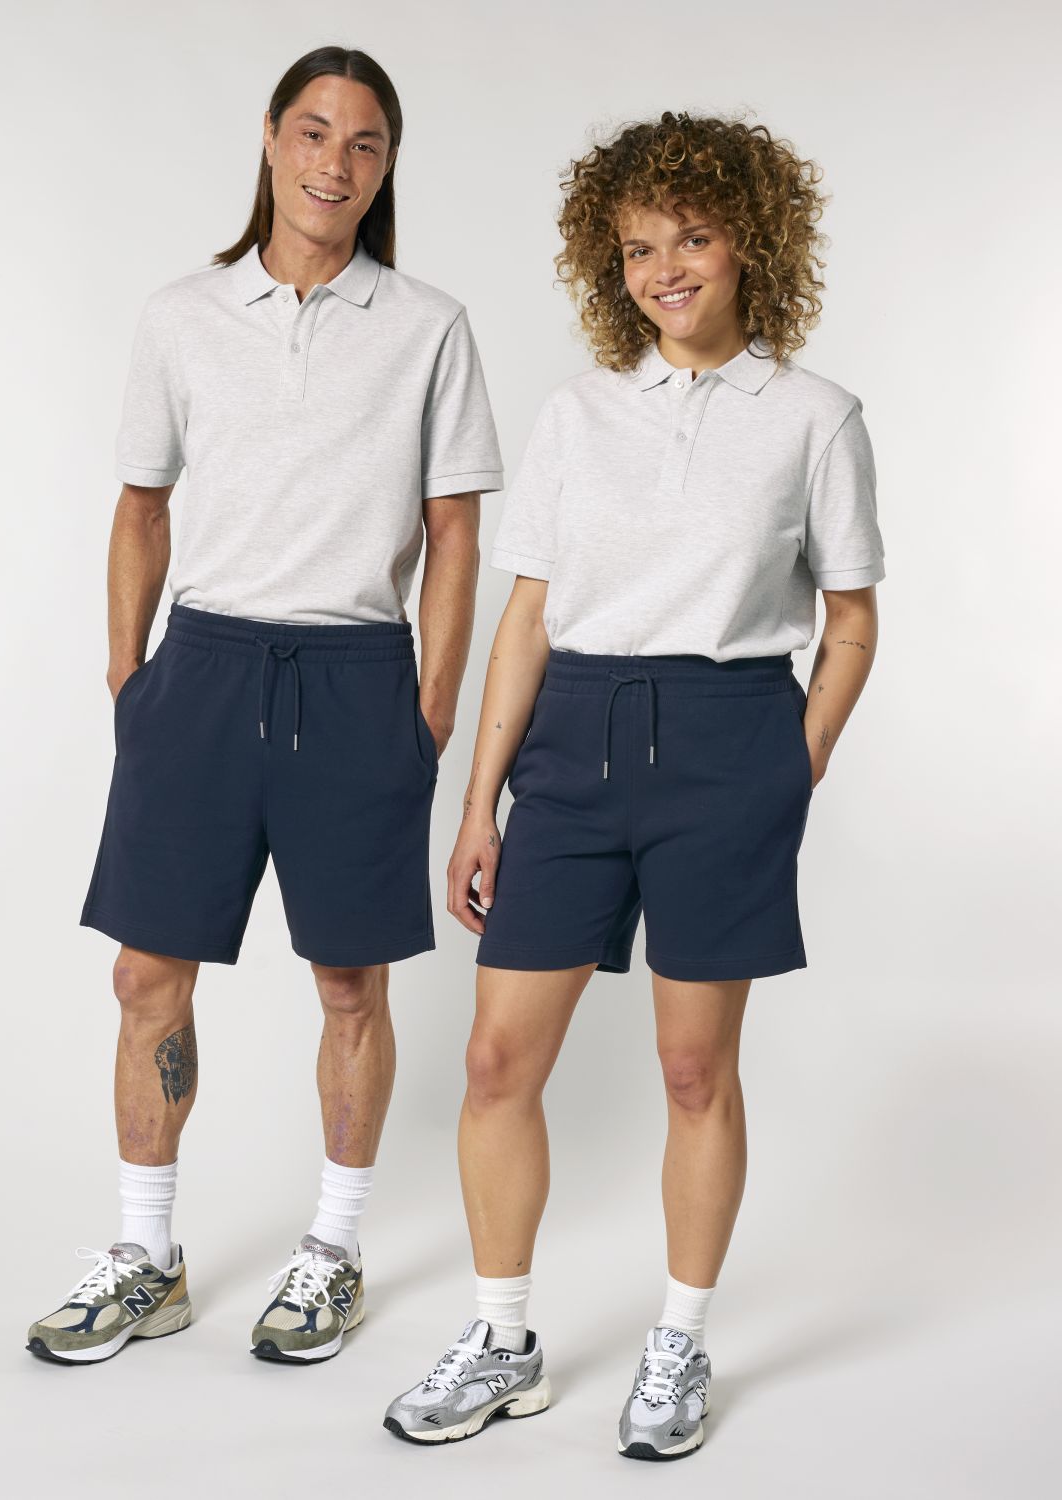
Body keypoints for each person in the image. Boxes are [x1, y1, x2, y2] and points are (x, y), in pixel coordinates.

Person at [384, 111, 885, 1457]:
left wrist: (793, 767)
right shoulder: (578, 413)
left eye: (693, 237)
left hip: (731, 739)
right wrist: (480, 802)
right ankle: (503, 1342)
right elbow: (528, 617)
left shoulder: (816, 417)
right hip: (575, 741)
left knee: (690, 1067)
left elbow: (851, 617)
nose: (664, 269)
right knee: (496, 1058)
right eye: (638, 247)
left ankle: (679, 1344)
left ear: (751, 242)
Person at [26, 46, 502, 1365]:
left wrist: (432, 707)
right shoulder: (183, 315)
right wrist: (130, 679)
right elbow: (141, 505)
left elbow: (455, 534)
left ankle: (333, 1254)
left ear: (386, 167)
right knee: (145, 974)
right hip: (202, 673)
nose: (334, 164)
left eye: (364, 143)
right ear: (271, 138)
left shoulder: (428, 327)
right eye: (313, 131)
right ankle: (147, 1257)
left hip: (356, 677)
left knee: (348, 982)